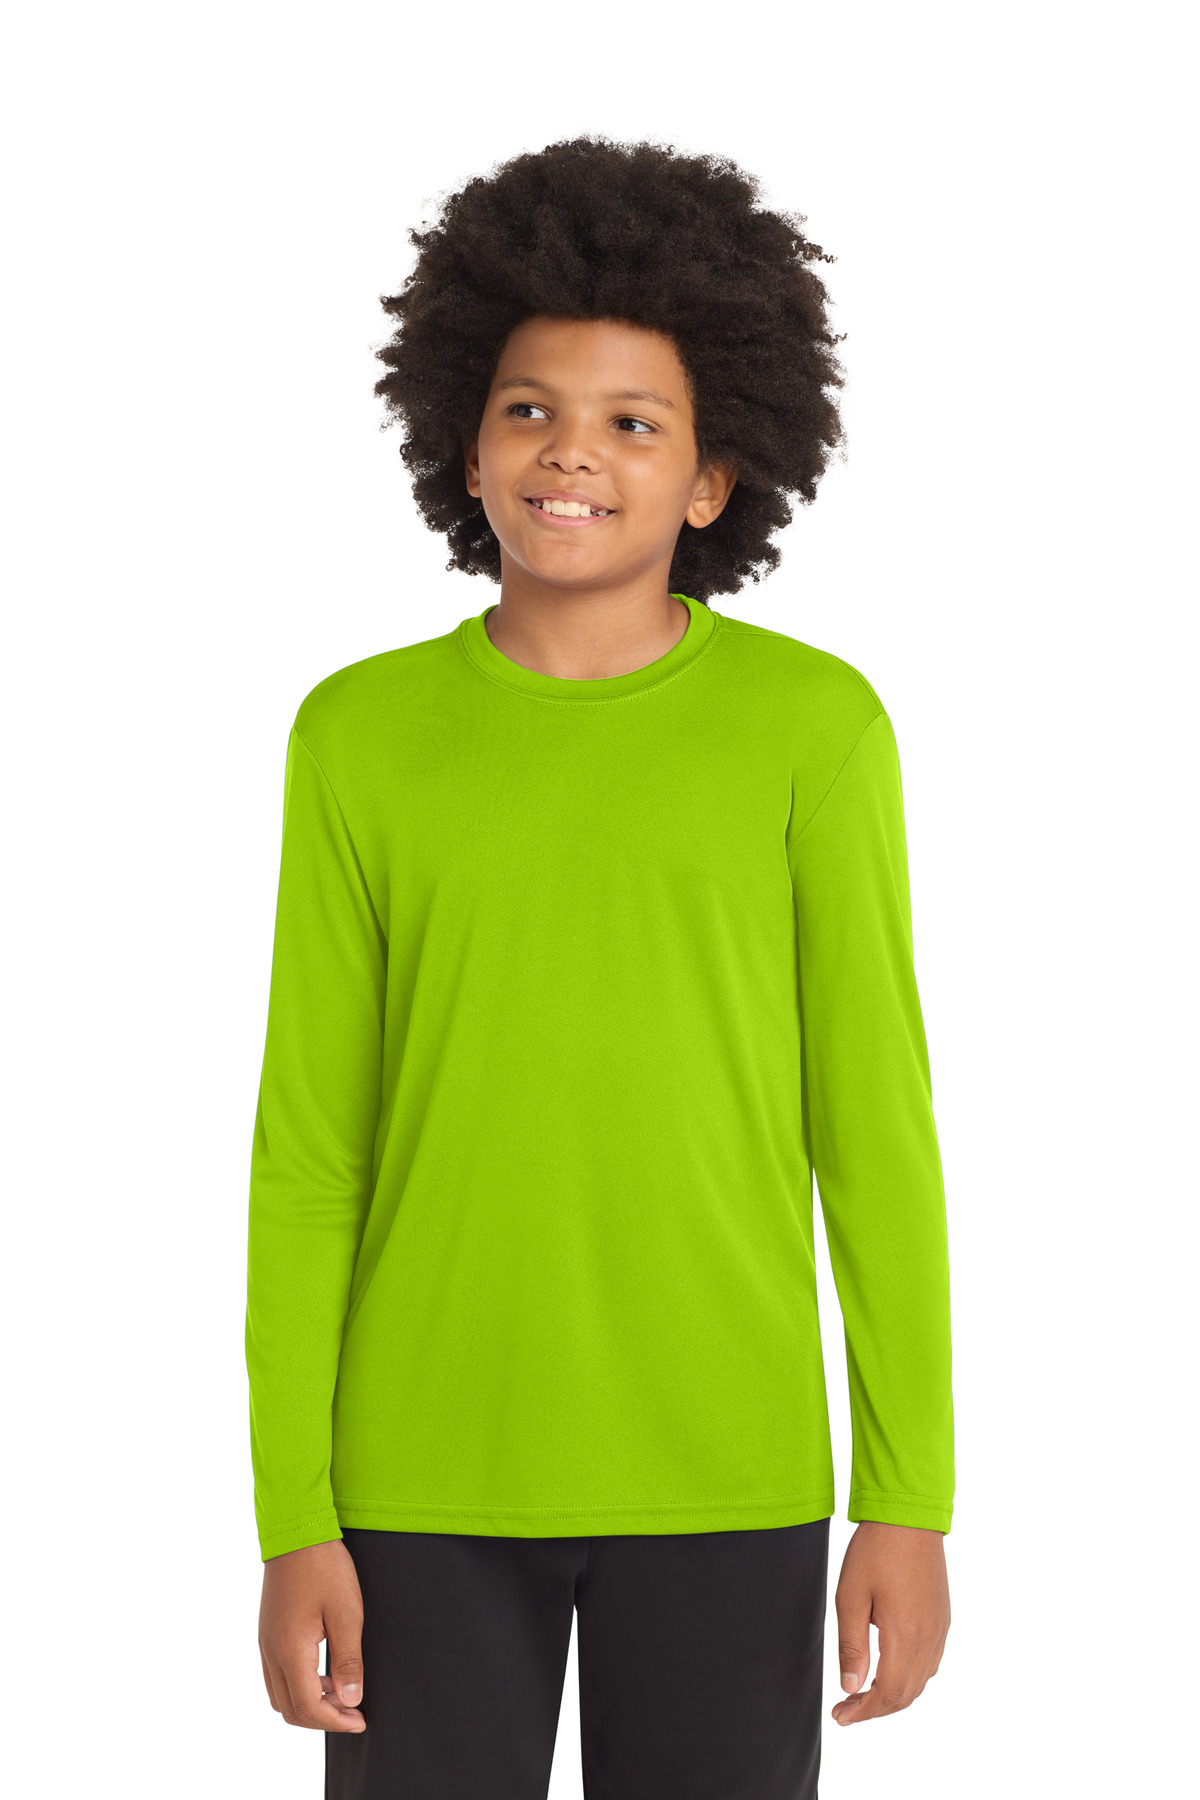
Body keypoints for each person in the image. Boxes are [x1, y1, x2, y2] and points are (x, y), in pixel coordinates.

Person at [246, 136, 953, 1800]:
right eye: (529, 410)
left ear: (714, 479)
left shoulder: (814, 730)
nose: (571, 451)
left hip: (727, 1472)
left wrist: (908, 1496)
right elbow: (311, 1152)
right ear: (465, 444)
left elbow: (875, 1135)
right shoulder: (358, 736)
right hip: (416, 1477)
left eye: (635, 422)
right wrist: (294, 1512)